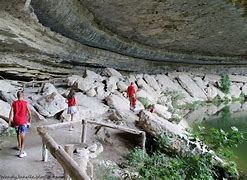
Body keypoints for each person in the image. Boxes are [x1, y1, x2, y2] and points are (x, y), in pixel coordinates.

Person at [9, 91, 31, 158]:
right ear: (23, 96)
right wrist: (29, 121)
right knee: (23, 136)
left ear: (17, 96)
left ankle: (19, 146)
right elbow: (29, 113)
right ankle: (21, 152)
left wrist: (10, 120)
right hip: (23, 121)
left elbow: (11, 112)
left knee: (18, 133)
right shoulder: (25, 103)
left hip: (16, 121)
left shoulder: (14, 103)